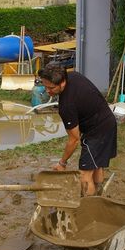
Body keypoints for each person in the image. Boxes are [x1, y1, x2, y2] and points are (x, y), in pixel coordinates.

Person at [38, 63, 117, 196]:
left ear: (62, 82)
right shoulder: (73, 76)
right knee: (97, 165)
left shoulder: (67, 106)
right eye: (45, 86)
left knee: (85, 175)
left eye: (51, 87)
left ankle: (87, 207)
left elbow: (74, 139)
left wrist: (62, 163)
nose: (47, 91)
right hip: (108, 121)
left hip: (97, 132)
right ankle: (98, 197)